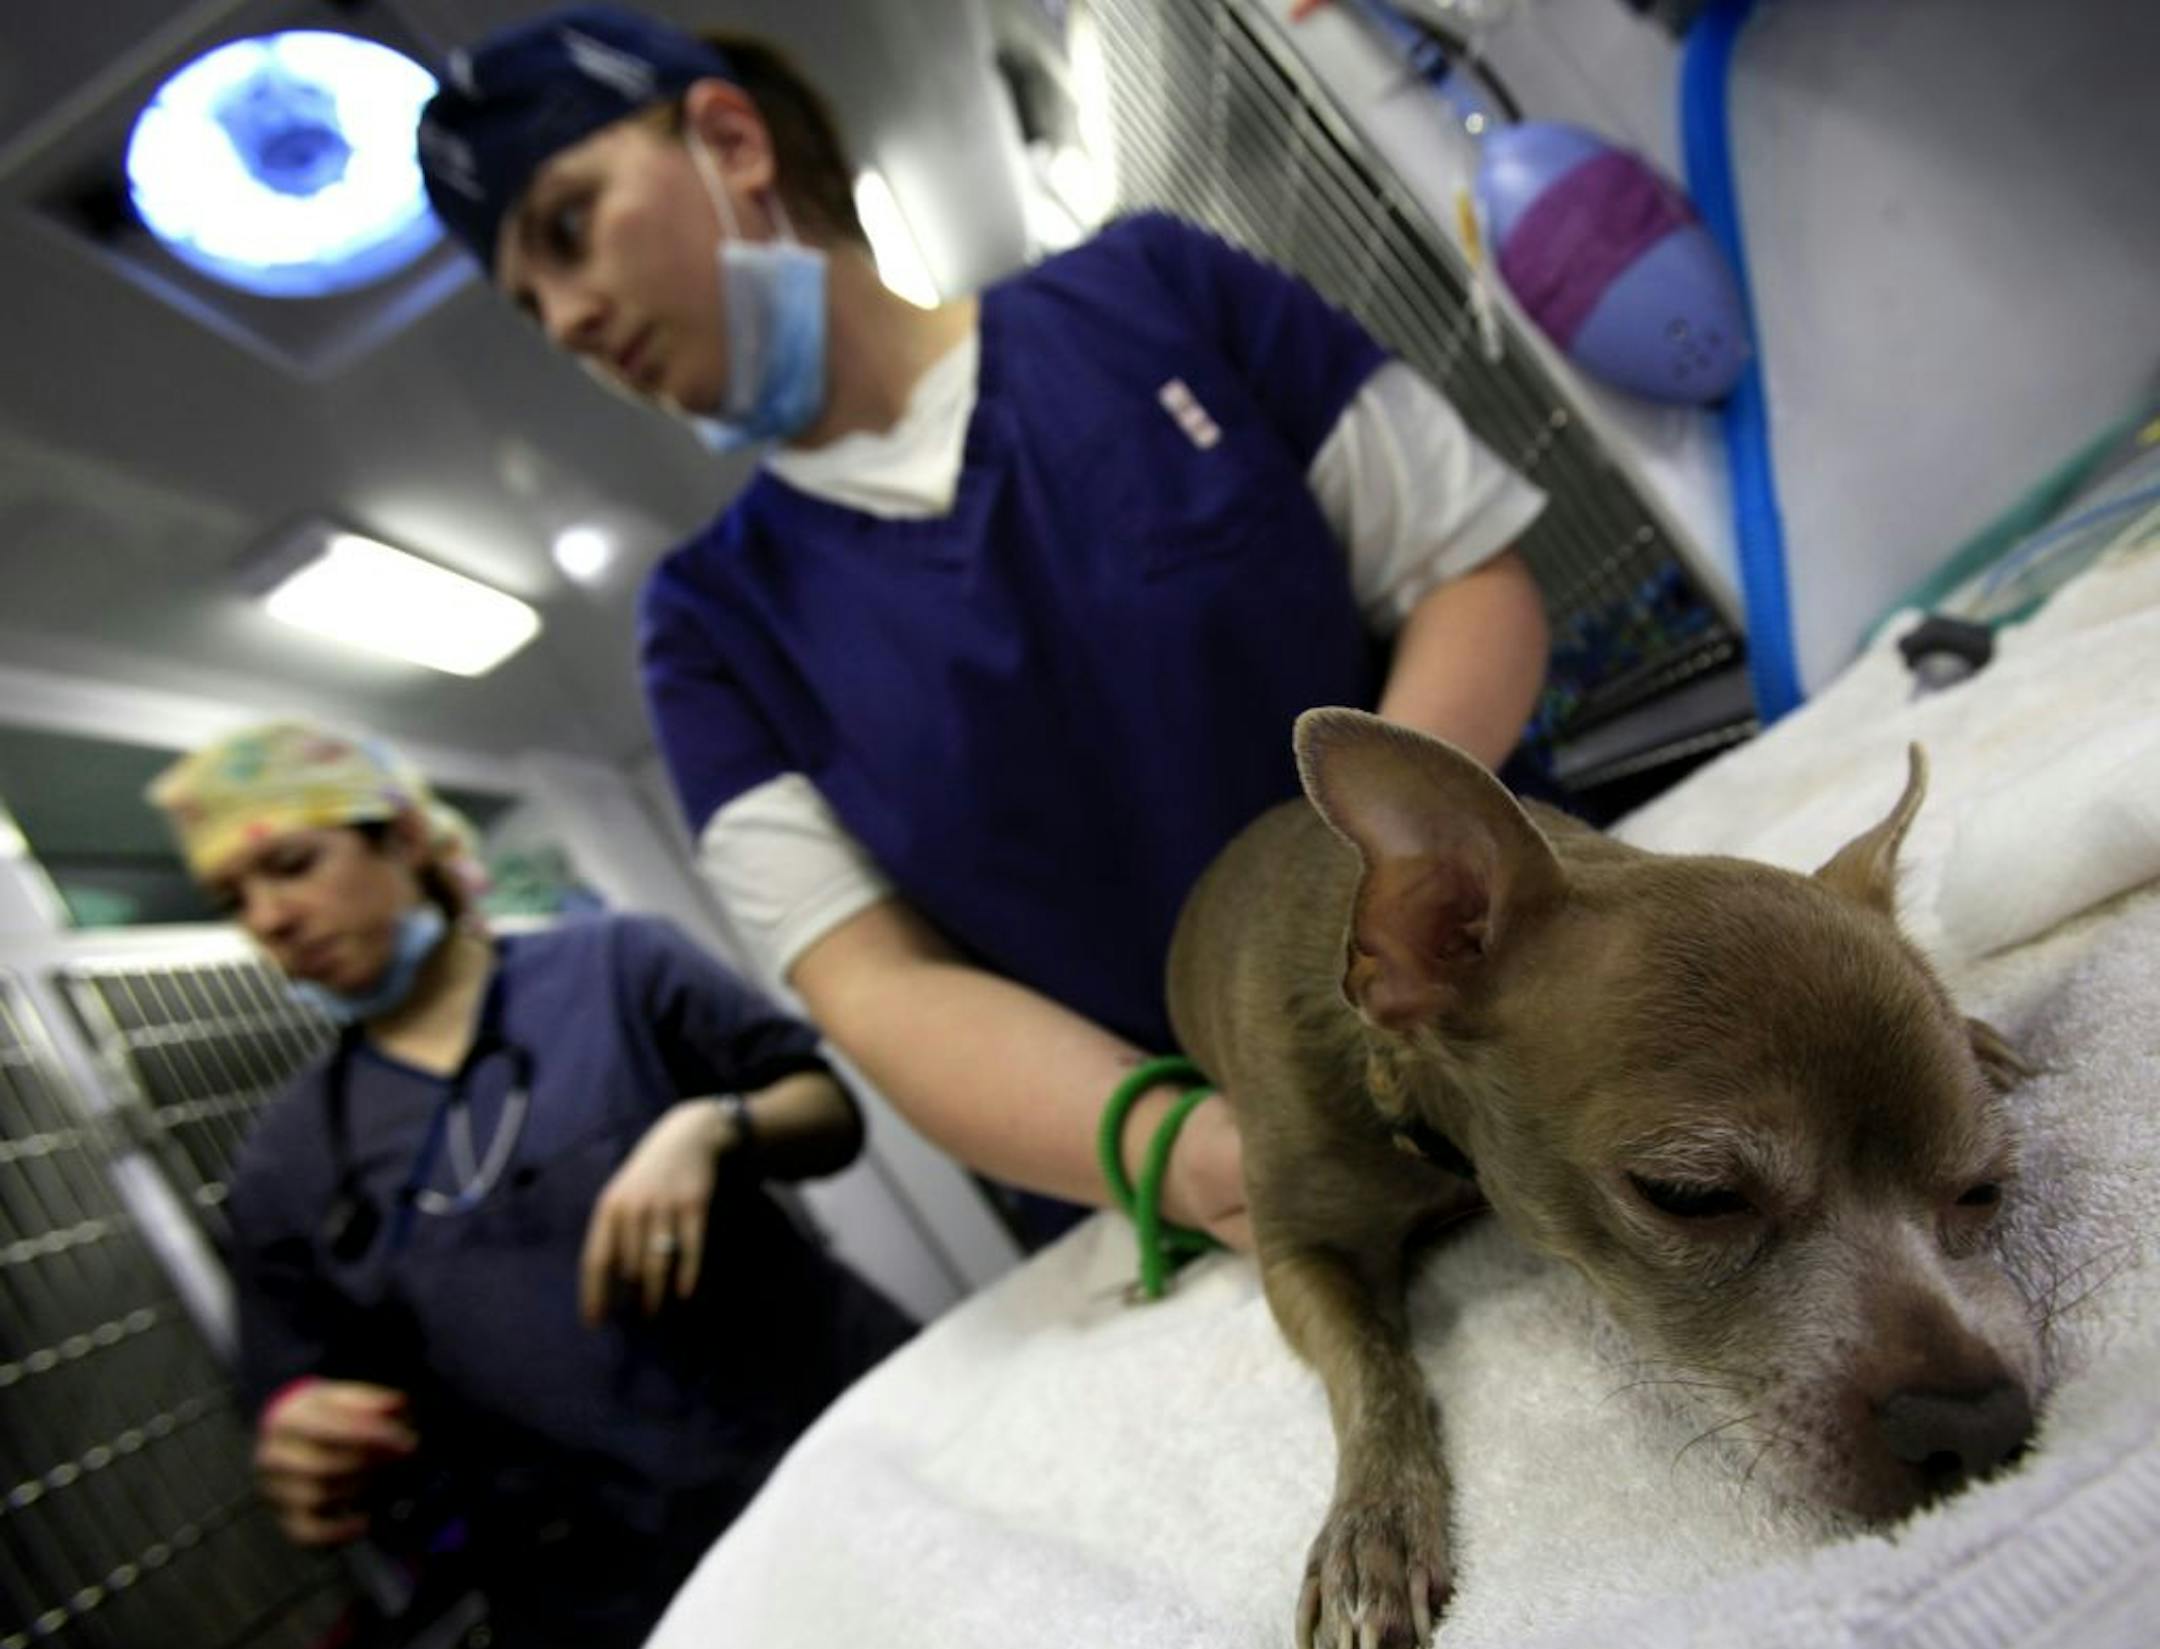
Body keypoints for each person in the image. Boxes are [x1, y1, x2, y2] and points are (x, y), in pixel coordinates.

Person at [416, 6, 1551, 1253]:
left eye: (569, 229)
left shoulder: (1154, 296)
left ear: (730, 140)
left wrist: (1388, 912)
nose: (568, 320)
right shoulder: (707, 631)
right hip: (1215, 1184)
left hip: (1509, 988)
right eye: (531, 304)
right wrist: (1190, 1151)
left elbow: (1466, 583)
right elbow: (874, 982)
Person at [146, 720, 914, 1649]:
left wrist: (711, 1127)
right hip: (608, 1584)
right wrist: (305, 1442)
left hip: (844, 1440)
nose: (268, 917)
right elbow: (298, 1385)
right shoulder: (286, 1162)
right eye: (233, 899)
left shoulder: (617, 967)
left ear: (405, 839)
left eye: (293, 865)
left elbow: (828, 1111)